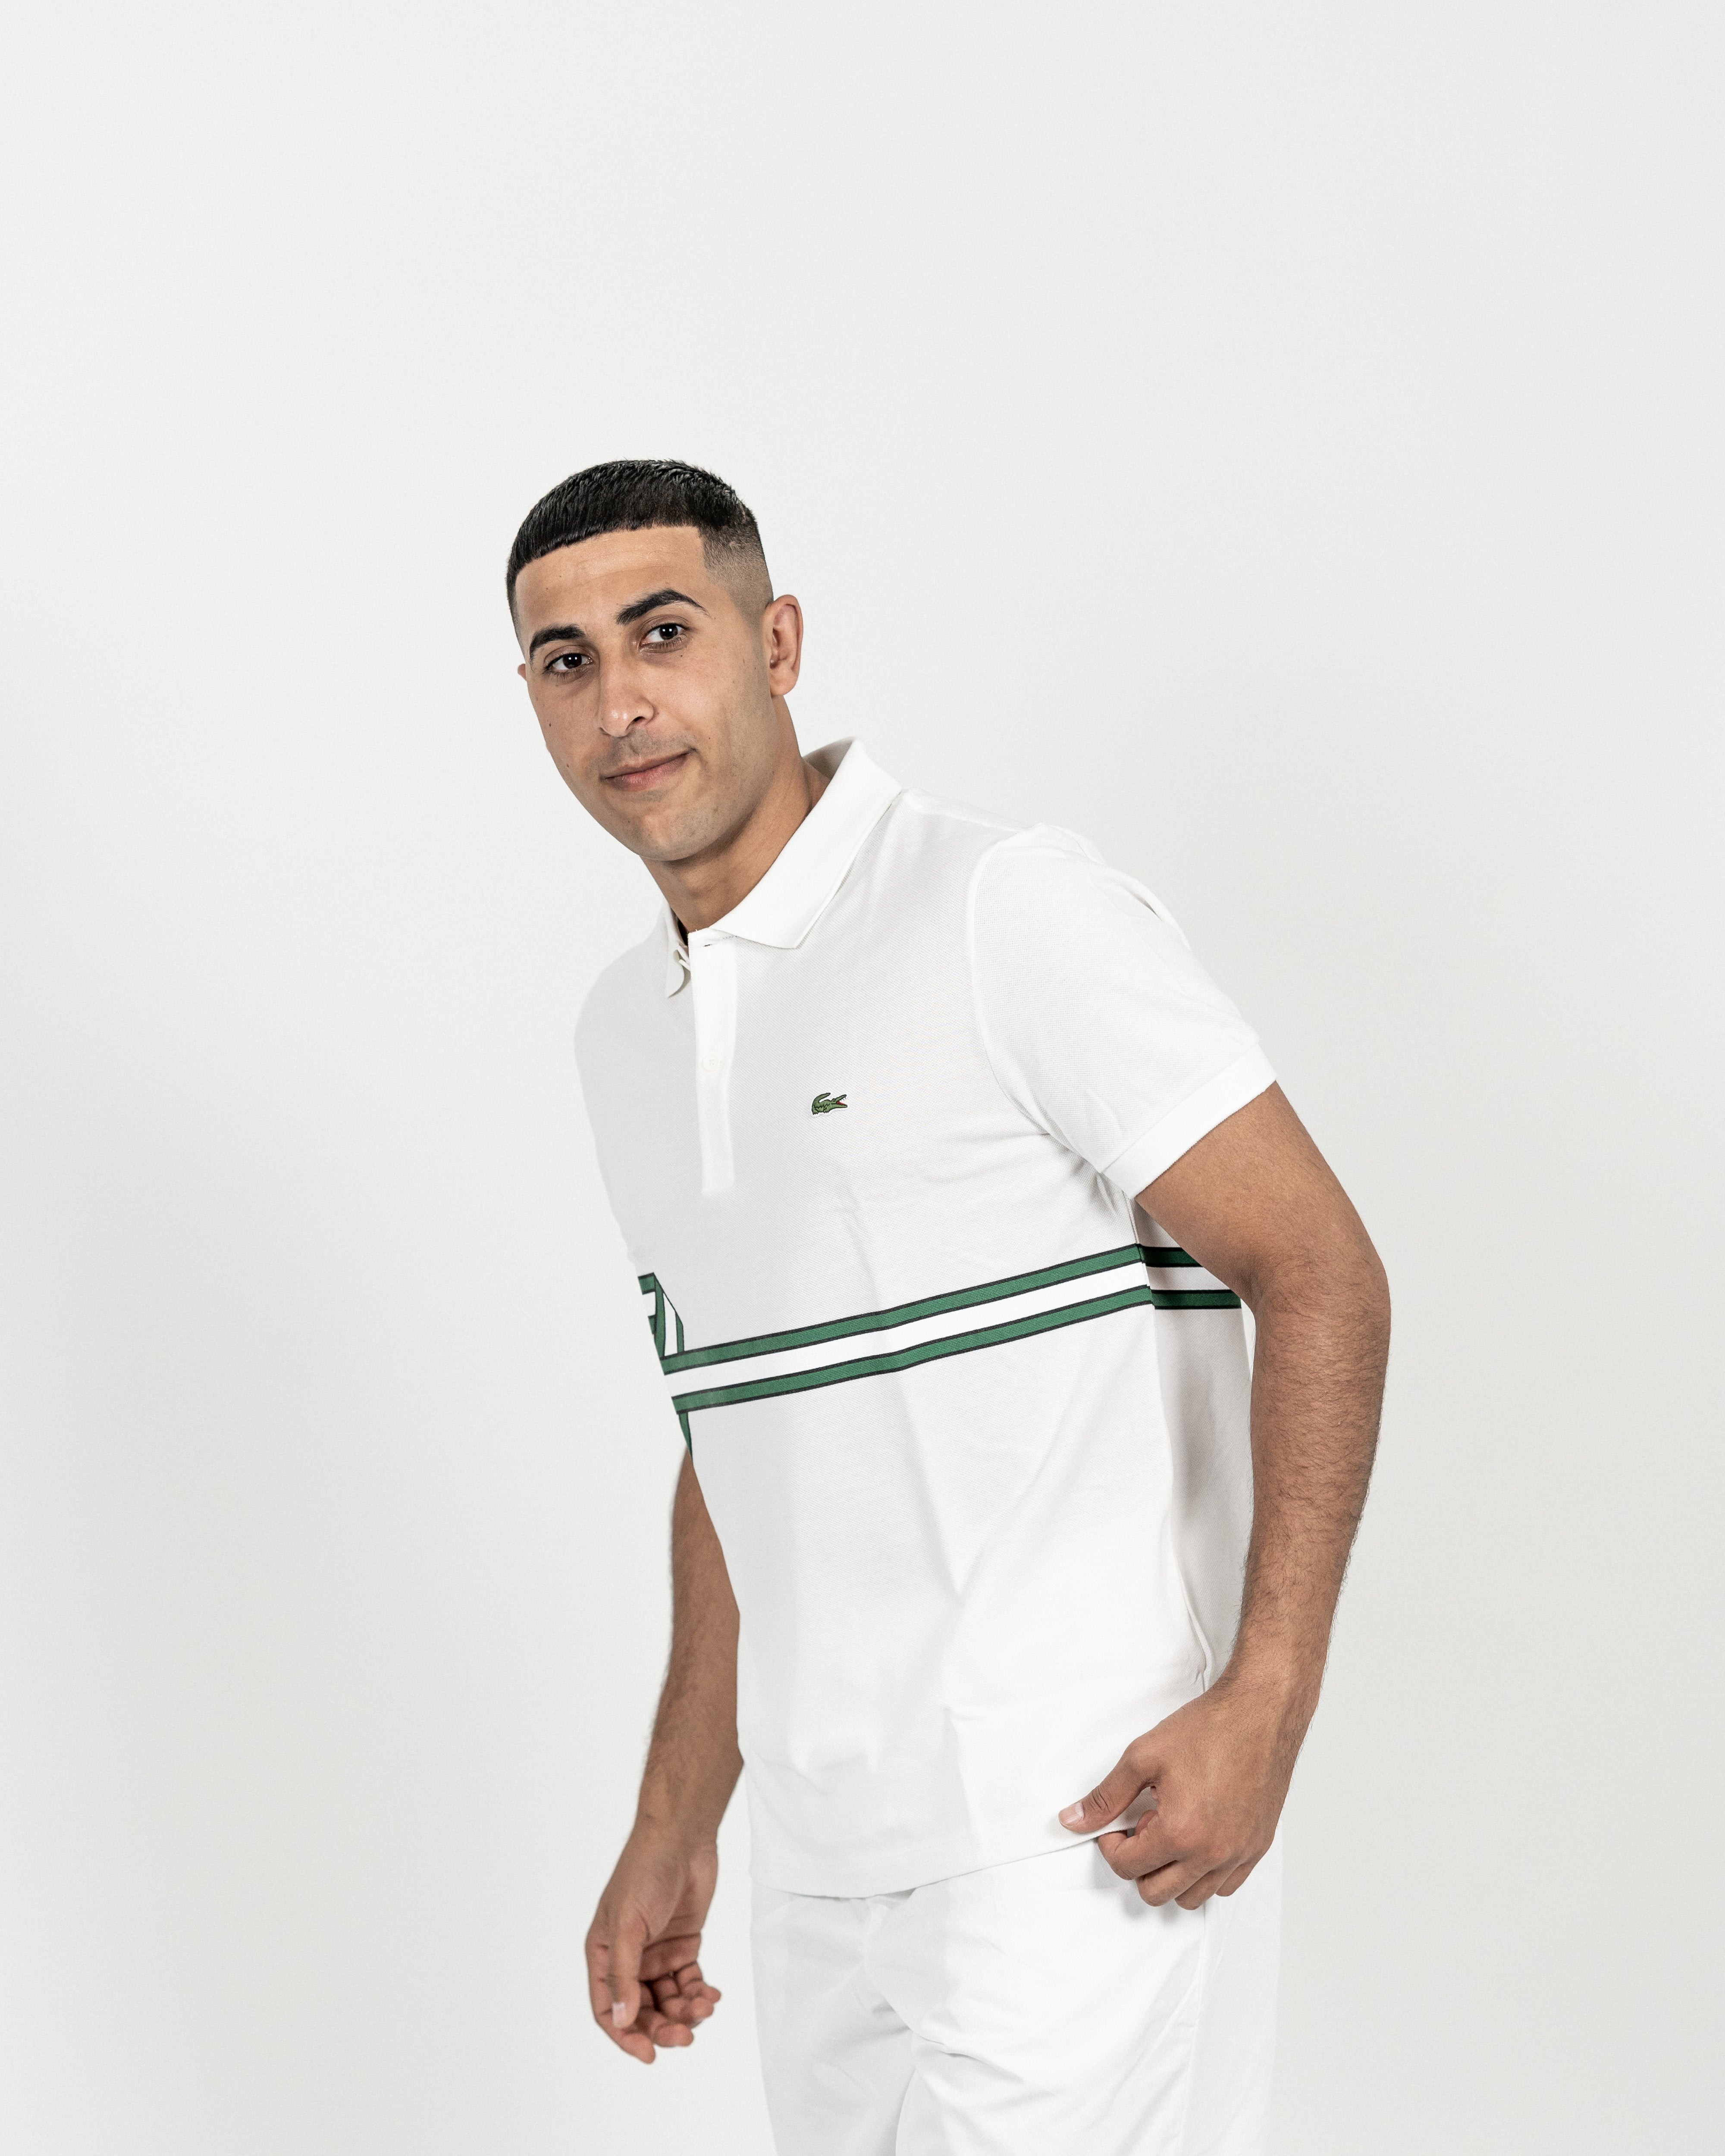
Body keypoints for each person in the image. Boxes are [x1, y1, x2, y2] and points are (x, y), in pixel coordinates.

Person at [507, 458, 1389, 2155]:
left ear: (776, 642)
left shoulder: (1000, 908)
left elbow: (1318, 1265)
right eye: (565, 660)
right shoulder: (625, 1032)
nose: (619, 701)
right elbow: (743, 1428)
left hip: (1086, 1826)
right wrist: (677, 1816)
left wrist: (1267, 1694)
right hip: (820, 1869)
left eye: (662, 632)